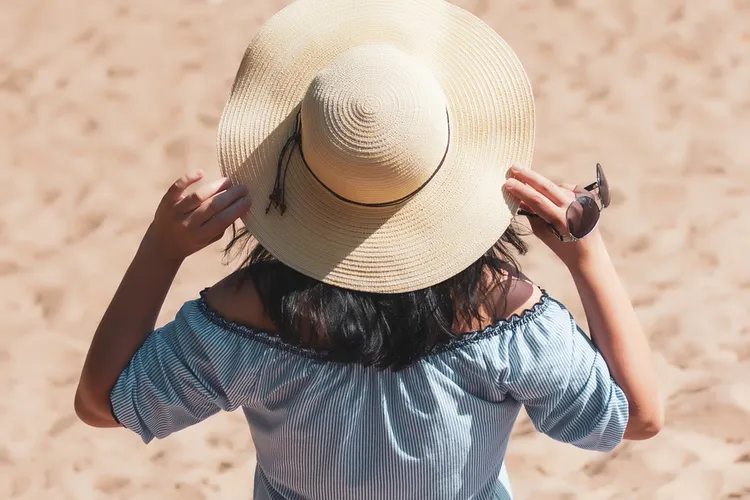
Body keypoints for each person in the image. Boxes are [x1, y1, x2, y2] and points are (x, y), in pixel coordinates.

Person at [75, 0, 663, 498]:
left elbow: (100, 404)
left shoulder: (244, 319)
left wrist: (161, 249)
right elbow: (637, 416)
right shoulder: (501, 314)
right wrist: (588, 256)